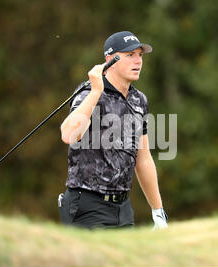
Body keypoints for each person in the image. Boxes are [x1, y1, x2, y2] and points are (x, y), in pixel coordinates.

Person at [59, 31, 168, 230]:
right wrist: (95, 91)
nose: (138, 61)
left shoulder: (139, 100)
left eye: (140, 55)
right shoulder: (88, 93)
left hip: (123, 207)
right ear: (110, 60)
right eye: (130, 55)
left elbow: (142, 159)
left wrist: (157, 211)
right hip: (86, 204)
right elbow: (68, 135)